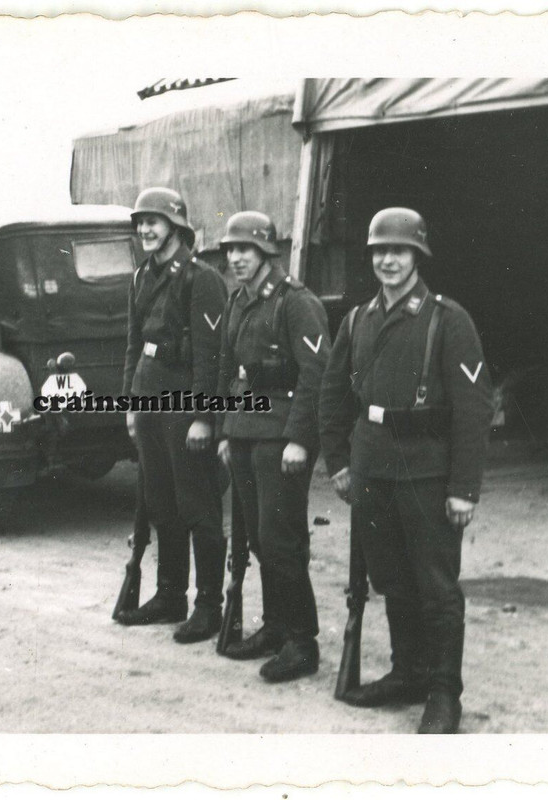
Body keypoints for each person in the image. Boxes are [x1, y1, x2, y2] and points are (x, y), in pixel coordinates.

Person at [318, 207, 494, 733]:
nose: (388, 260)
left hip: (425, 473)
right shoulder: (358, 319)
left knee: (436, 587)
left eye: (399, 251)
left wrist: (464, 488)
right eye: (380, 251)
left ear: (418, 256)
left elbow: (474, 408)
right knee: (392, 580)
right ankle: (407, 673)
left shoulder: (447, 319)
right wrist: (339, 462)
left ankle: (443, 694)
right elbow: (333, 394)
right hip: (372, 471)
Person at [214, 211, 331, 682]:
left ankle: (302, 641)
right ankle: (277, 626)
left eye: (245, 249)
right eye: (231, 250)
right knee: (261, 539)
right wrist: (226, 429)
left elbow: (317, 374)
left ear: (266, 252)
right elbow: (229, 371)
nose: (236, 258)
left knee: (281, 539)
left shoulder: (295, 302)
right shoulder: (238, 300)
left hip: (281, 435)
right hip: (245, 431)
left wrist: (301, 438)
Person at [115, 187, 229, 644]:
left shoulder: (201, 279)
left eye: (154, 221)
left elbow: (211, 354)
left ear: (176, 226)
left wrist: (204, 417)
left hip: (184, 404)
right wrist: (131, 402)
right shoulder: (141, 277)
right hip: (149, 400)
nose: (145, 229)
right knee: (161, 503)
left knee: (197, 505)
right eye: (141, 222)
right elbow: (133, 343)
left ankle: (209, 606)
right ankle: (170, 595)